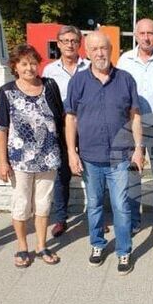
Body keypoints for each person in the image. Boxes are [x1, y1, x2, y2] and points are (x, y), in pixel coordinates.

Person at [65, 31, 144, 275]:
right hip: (90, 157)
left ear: (111, 50)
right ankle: (97, 244)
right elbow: (71, 118)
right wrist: (71, 152)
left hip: (120, 157)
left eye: (104, 48)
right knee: (95, 205)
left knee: (121, 206)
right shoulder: (78, 81)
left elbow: (135, 116)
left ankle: (124, 251)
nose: (100, 53)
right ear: (87, 52)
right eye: (95, 49)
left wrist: (139, 149)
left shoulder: (126, 80)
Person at [0, 44, 65, 268]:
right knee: (21, 204)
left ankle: (41, 245)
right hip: (20, 160)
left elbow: (61, 118)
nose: (29, 68)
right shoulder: (7, 91)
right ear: (15, 66)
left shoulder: (49, 86)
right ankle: (22, 246)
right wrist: (2, 162)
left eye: (33, 63)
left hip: (48, 157)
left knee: (43, 204)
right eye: (24, 63)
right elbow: (1, 129)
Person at [116, 18, 153, 239]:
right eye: (142, 33)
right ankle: (133, 220)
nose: (146, 37)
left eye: (150, 33)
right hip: (132, 129)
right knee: (133, 176)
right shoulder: (125, 60)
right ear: (135, 35)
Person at [42, 26, 90, 238]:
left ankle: (95, 218)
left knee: (92, 172)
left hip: (87, 126)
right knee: (61, 174)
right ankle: (61, 218)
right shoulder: (49, 71)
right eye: (65, 41)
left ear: (79, 43)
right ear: (59, 44)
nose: (70, 44)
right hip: (60, 127)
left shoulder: (89, 67)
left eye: (74, 40)